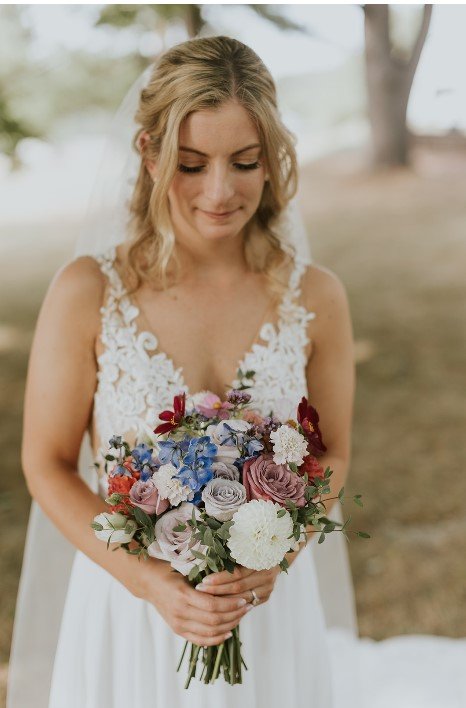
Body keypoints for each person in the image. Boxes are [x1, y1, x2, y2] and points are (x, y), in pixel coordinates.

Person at [8, 35, 354, 708]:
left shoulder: (316, 296)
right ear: (149, 153)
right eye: (191, 164)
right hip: (128, 606)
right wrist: (149, 582)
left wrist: (274, 560)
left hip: (266, 610)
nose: (219, 192)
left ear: (273, 159)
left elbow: (333, 452)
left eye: (245, 162)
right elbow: (46, 463)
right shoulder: (89, 291)